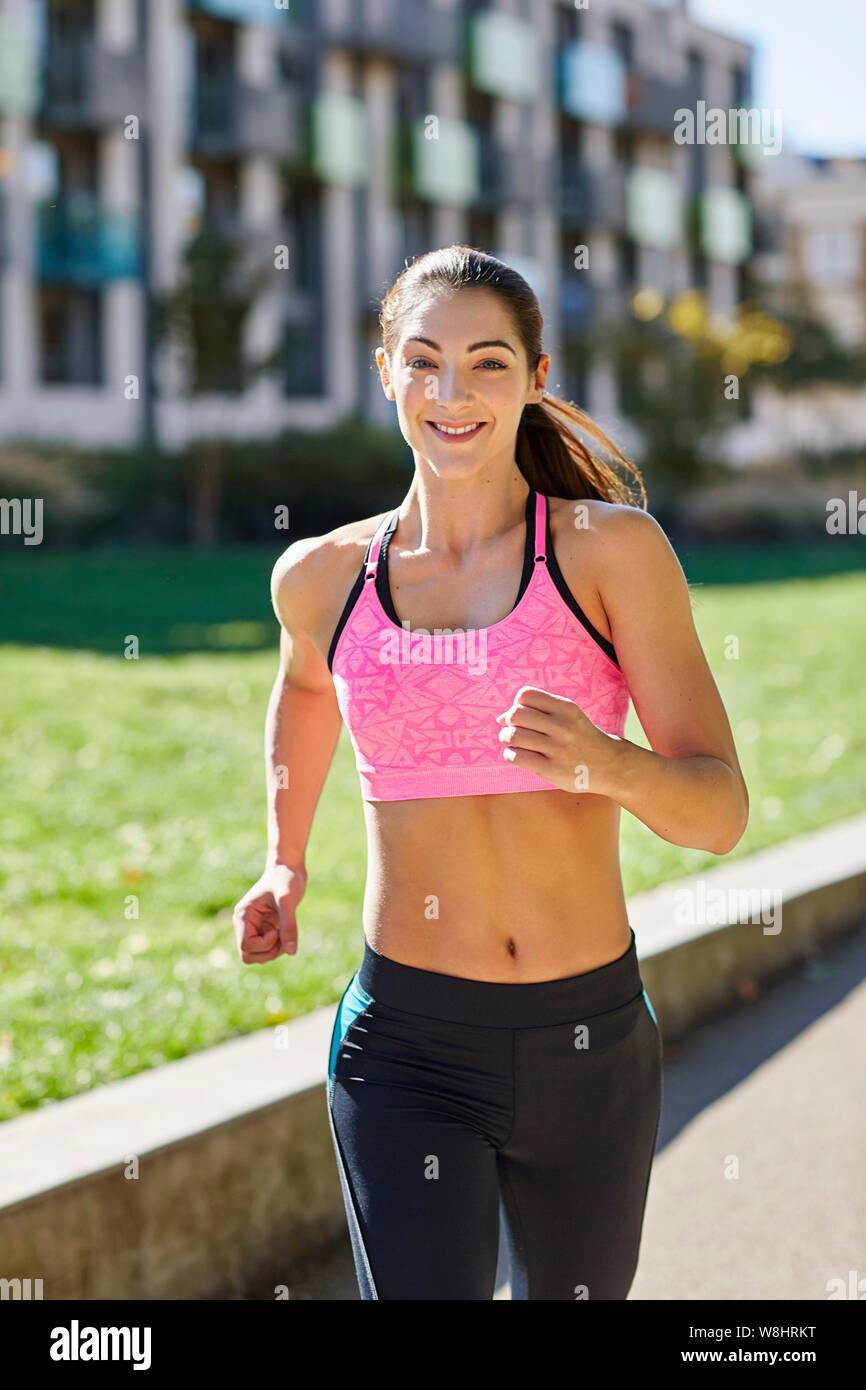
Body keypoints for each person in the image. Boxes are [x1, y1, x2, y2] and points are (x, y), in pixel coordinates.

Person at [233, 246, 749, 1300]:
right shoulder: (321, 576)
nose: (451, 394)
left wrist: (606, 764)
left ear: (536, 377)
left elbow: (718, 812)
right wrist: (283, 863)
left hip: (587, 1044)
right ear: (385, 374)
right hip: (405, 1048)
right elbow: (301, 693)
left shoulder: (610, 554)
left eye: (486, 364)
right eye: (421, 363)